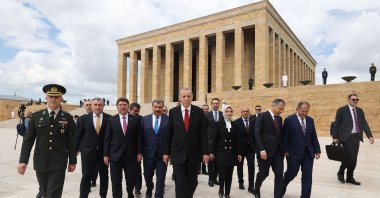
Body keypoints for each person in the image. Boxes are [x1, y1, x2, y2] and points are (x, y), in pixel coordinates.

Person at [17, 84, 77, 198]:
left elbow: (71, 141)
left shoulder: (68, 118)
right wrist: (23, 161)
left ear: (61, 99)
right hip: (41, 161)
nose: (53, 99)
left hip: (59, 161)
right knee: (45, 192)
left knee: (53, 193)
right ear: (46, 98)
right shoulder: (36, 116)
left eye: (56, 97)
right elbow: (28, 140)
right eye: (50, 96)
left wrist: (72, 161)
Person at [163, 87, 209, 198]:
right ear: (179, 98)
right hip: (178, 153)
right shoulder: (173, 112)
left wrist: (206, 153)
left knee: (193, 182)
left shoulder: (198, 112)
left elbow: (203, 134)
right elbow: (169, 133)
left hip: (194, 154)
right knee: (180, 183)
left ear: (192, 97)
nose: (186, 99)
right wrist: (166, 152)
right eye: (184, 96)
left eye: (188, 96)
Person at [104, 98, 142, 198]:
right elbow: (107, 138)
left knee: (131, 180)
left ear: (128, 106)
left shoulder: (135, 119)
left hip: (131, 155)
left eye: (125, 104)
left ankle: (130, 194)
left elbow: (139, 138)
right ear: (117, 107)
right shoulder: (111, 120)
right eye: (120, 104)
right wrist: (106, 155)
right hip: (115, 156)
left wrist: (139, 153)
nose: (122, 106)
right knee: (116, 181)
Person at [332, 94, 374, 185]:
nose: (355, 101)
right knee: (350, 156)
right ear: (348, 100)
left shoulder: (360, 111)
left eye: (357, 100)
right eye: (353, 99)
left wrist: (369, 136)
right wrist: (335, 137)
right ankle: (341, 172)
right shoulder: (342, 110)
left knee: (354, 159)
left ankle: (350, 177)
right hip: (346, 137)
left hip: (356, 137)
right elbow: (336, 124)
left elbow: (364, 124)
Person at [282, 102, 321, 198]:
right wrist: (285, 150)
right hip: (293, 153)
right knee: (292, 173)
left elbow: (313, 136)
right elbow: (284, 137)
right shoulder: (289, 120)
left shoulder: (310, 120)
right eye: (303, 111)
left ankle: (305, 196)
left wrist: (317, 150)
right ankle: (282, 186)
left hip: (308, 153)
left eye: (307, 111)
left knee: (307, 175)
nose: (305, 113)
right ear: (297, 109)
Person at [76, 97, 111, 198]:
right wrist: (74, 151)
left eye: (100, 105)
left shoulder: (109, 119)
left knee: (104, 176)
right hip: (88, 153)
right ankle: (83, 196)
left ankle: (103, 196)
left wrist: (108, 153)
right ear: (91, 106)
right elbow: (78, 136)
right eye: (95, 105)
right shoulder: (83, 119)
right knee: (86, 176)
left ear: (103, 106)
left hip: (104, 154)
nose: (97, 107)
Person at [253, 99, 286, 198]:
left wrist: (284, 149)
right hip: (265, 152)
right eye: (280, 108)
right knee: (264, 173)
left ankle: (277, 196)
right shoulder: (262, 116)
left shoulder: (280, 119)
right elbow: (257, 134)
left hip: (278, 153)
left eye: (282, 109)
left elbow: (280, 135)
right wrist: (261, 149)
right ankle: (256, 188)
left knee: (279, 174)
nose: (281, 111)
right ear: (273, 105)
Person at [210, 105, 242, 198]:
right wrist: (212, 152)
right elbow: (214, 139)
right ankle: (221, 189)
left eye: (230, 111)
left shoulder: (235, 125)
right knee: (222, 174)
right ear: (224, 113)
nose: (229, 113)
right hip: (221, 153)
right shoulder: (218, 124)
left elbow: (237, 140)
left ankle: (227, 193)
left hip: (231, 153)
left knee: (229, 175)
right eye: (227, 111)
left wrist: (239, 153)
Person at [141, 99, 169, 198]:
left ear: (162, 108)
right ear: (152, 107)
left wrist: (168, 153)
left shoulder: (168, 120)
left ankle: (159, 195)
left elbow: (170, 138)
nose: (157, 109)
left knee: (161, 178)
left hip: (163, 155)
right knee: (147, 176)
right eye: (155, 107)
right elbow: (141, 137)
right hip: (148, 154)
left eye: (160, 107)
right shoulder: (145, 119)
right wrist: (140, 152)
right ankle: (149, 188)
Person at [235, 106, 256, 193]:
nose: (245, 113)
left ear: (249, 112)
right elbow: (235, 137)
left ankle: (251, 186)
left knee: (251, 166)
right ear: (241, 112)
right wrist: (237, 151)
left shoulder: (253, 121)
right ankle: (241, 182)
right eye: (243, 111)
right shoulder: (236, 122)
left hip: (251, 149)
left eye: (247, 111)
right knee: (240, 166)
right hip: (240, 149)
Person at [205, 98, 224, 187]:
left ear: (219, 104)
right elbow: (204, 129)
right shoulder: (207, 115)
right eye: (214, 103)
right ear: (211, 104)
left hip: (220, 141)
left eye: (217, 103)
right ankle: (210, 179)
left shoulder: (222, 114)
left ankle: (215, 178)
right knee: (211, 161)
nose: (215, 105)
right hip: (210, 141)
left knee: (218, 161)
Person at [129, 102, 143, 195]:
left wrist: (140, 152)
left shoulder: (141, 119)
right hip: (125, 150)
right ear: (130, 110)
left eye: (138, 111)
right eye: (135, 111)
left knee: (137, 170)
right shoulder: (125, 119)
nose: (137, 113)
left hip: (136, 149)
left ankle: (137, 188)